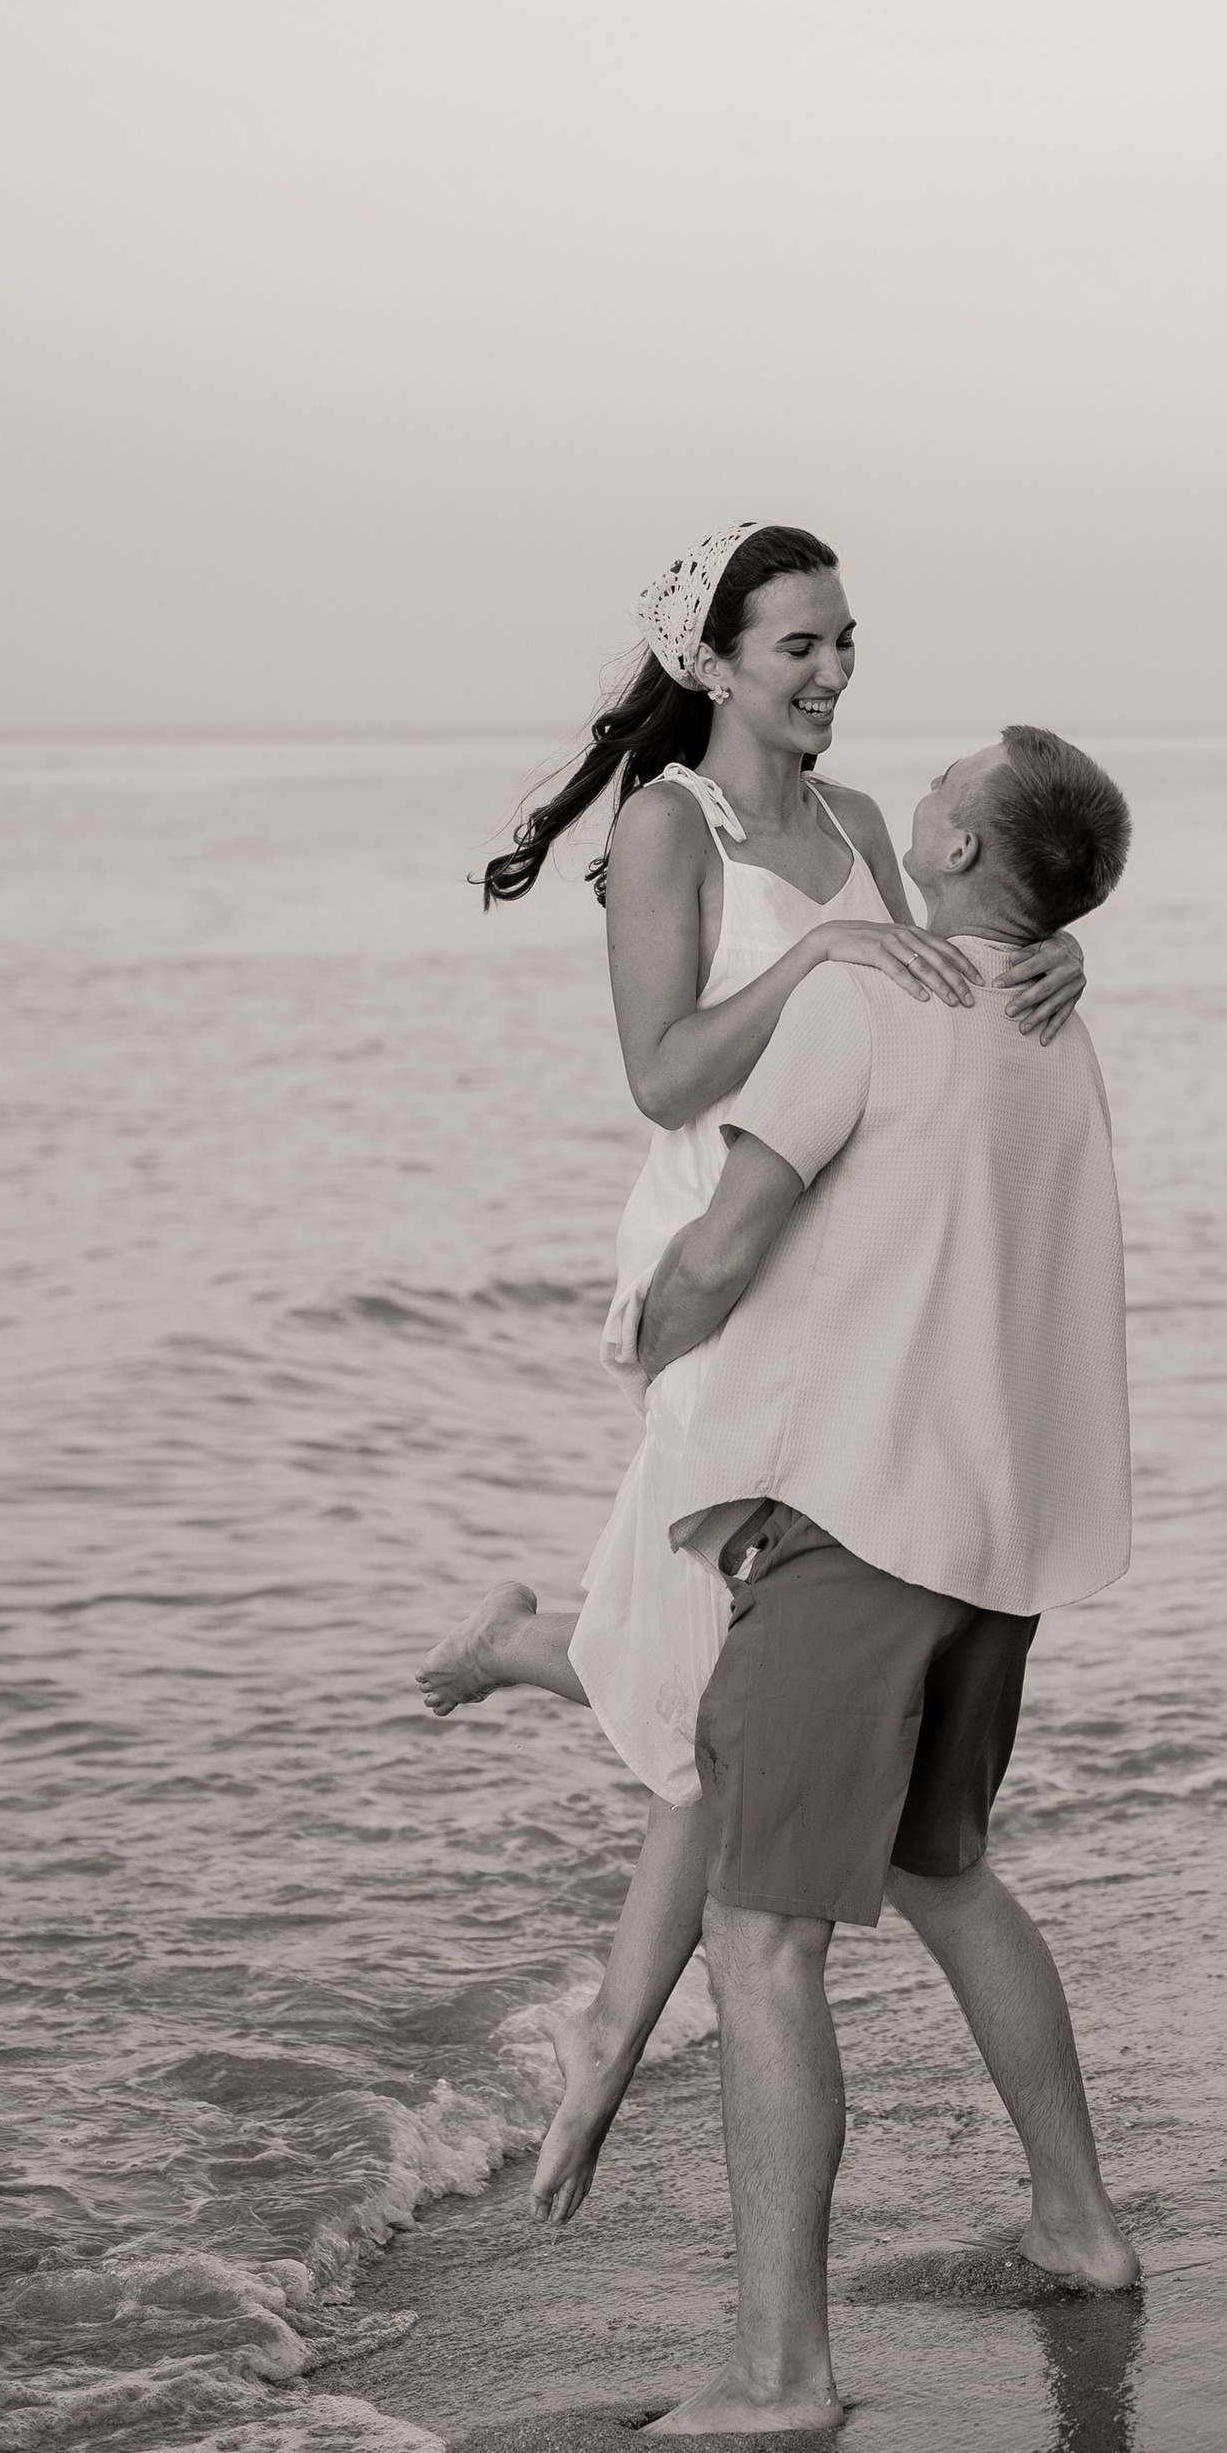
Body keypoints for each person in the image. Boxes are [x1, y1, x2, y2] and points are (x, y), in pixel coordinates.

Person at [412, 522, 1085, 2218]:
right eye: (798, 646)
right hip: (724, 1249)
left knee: (727, 1713)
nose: (835, 676)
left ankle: (595, 2012)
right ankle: (604, 2032)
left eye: (849, 642)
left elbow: (951, 958)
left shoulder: (865, 821)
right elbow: (659, 1075)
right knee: (725, 1713)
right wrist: (812, 958)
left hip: (838, 1272)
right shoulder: (668, 826)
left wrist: (1057, 955)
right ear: (715, 660)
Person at [627, 723, 1141, 2435]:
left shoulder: (869, 1002)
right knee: (948, 1868)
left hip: (857, 1523)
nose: (915, 791)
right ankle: (1078, 2224)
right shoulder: (1057, 1023)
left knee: (761, 1934)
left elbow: (724, 1242)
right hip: (995, 1532)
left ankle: (782, 2373)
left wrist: (648, 1343)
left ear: (970, 857)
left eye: (950, 789)